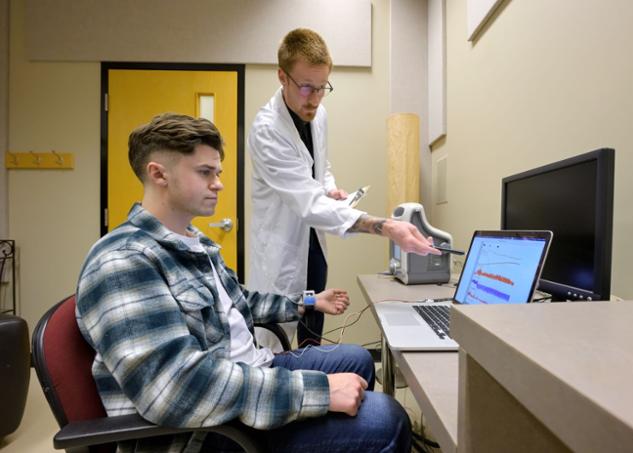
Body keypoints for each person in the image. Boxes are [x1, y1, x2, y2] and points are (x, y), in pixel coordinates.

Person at [76, 113, 411, 452]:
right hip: (206, 429)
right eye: (205, 173)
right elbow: (176, 389)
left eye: (217, 173)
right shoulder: (124, 262)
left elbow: (242, 301)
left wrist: (309, 301)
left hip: (245, 372)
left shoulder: (192, 240)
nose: (218, 183)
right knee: (388, 419)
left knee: (357, 360)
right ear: (158, 174)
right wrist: (318, 393)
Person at [248, 28, 439, 348]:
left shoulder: (318, 114)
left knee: (312, 329)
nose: (316, 98)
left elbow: (320, 169)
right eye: (307, 87)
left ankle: (316, 387)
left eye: (323, 87)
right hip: (280, 249)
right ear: (282, 76)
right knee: (274, 345)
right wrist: (387, 226)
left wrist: (331, 190)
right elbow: (306, 201)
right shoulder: (266, 130)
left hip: (314, 242)